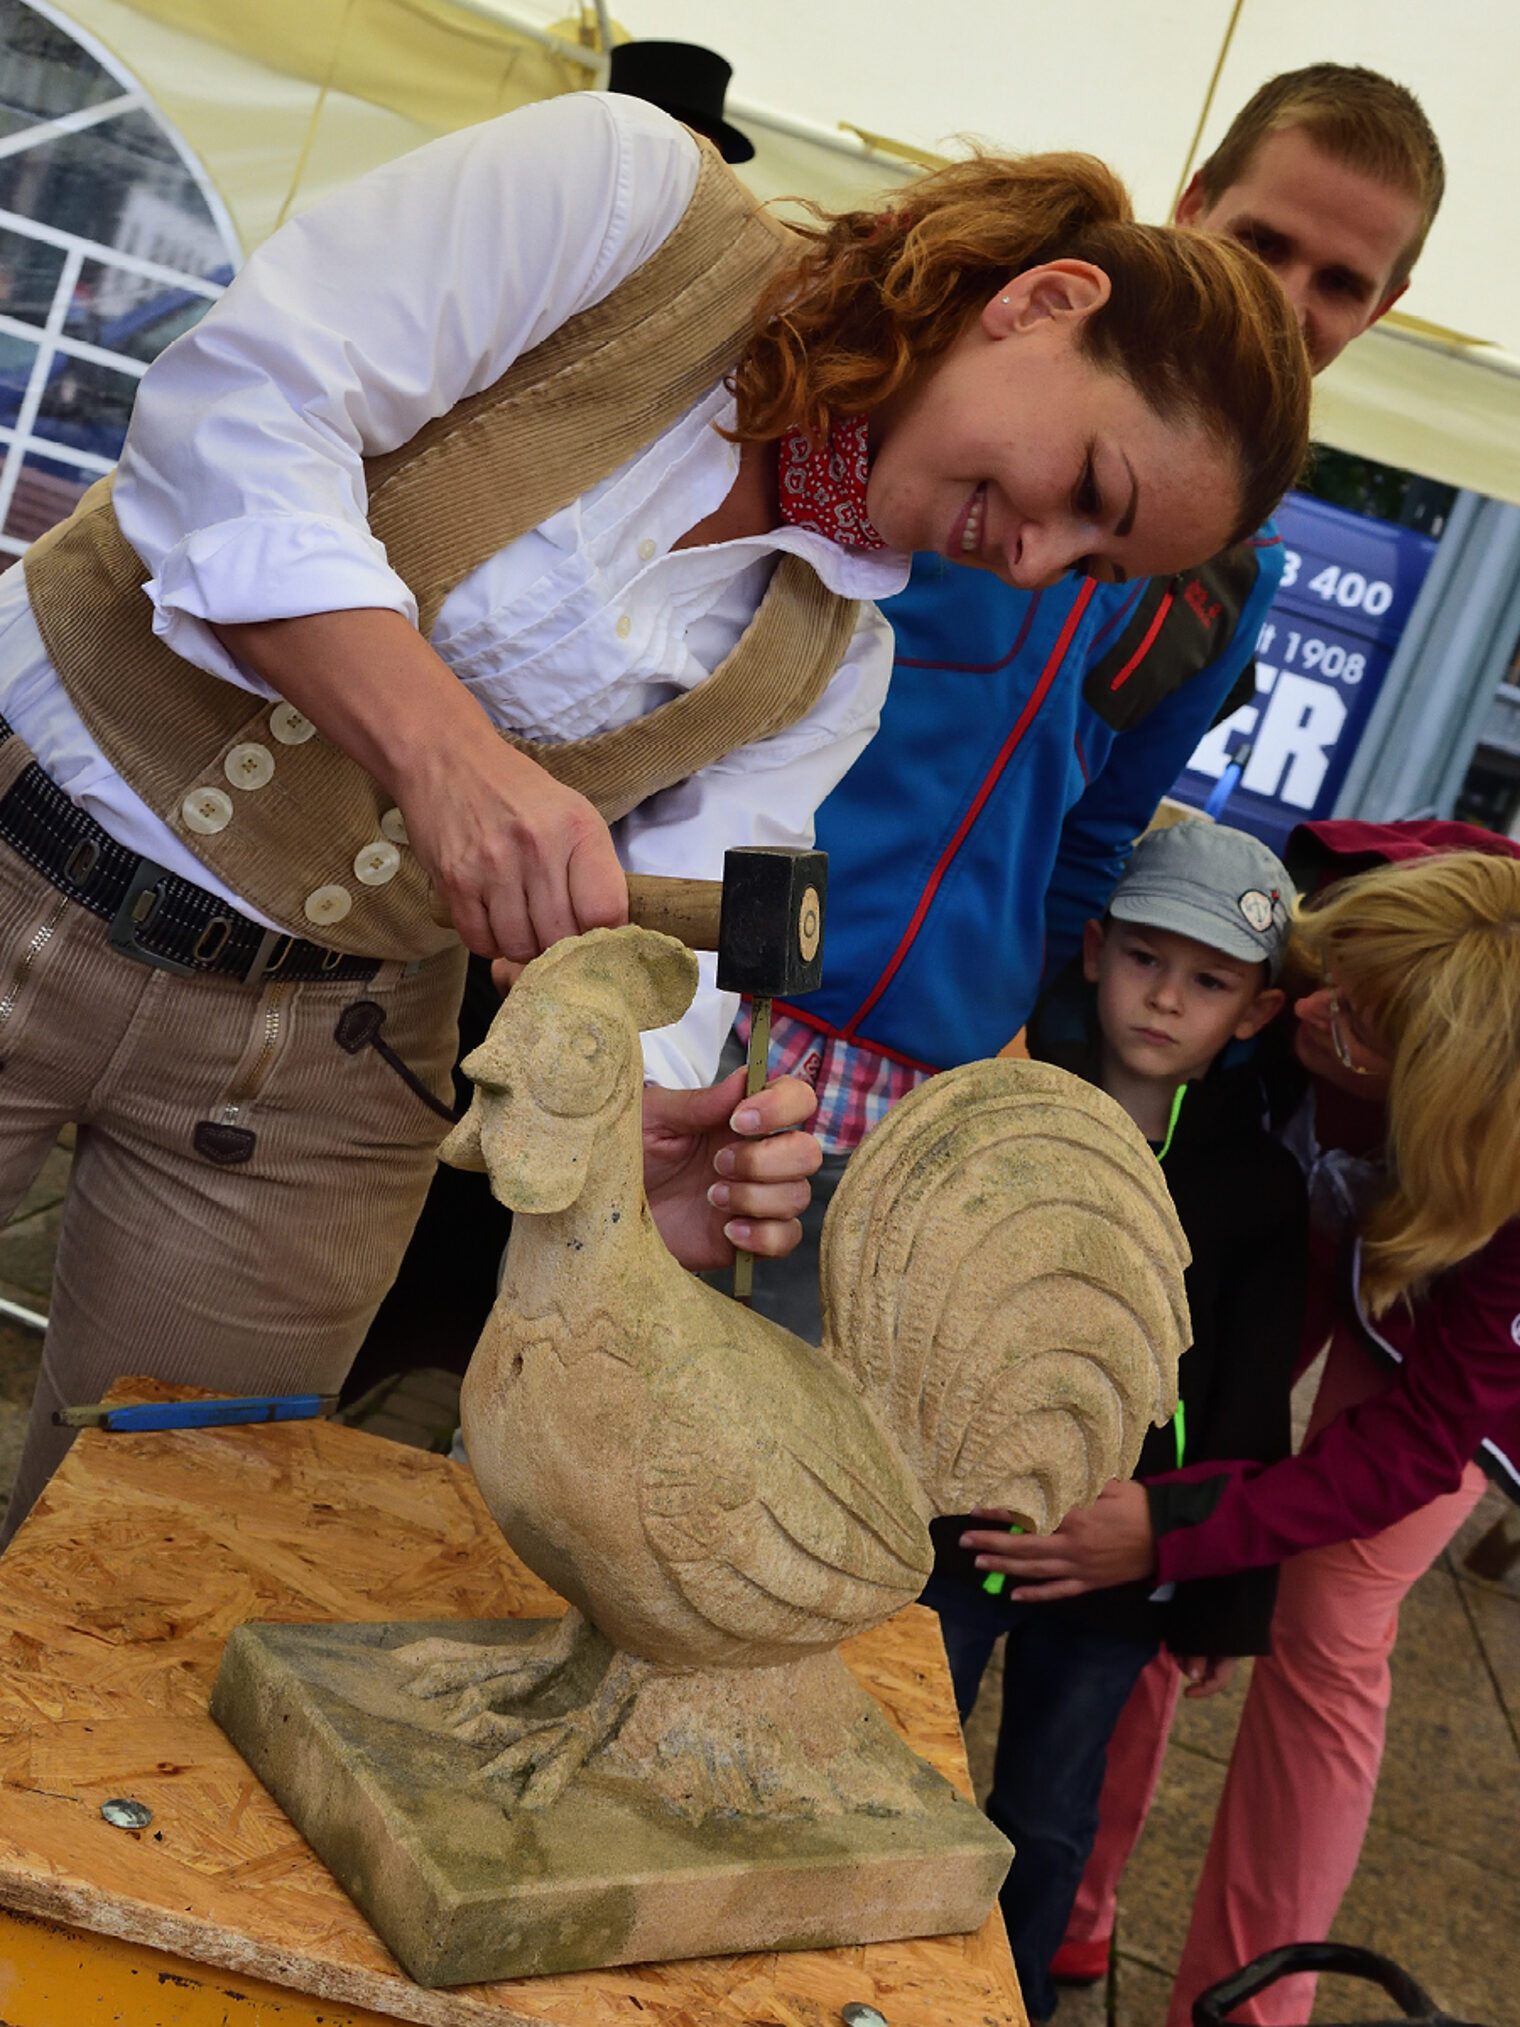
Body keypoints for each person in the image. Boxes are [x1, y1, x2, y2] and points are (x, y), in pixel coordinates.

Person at [0, 89, 1309, 1535]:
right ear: (1045, 302)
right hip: (25, 838)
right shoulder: (630, 204)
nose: (1034, 556)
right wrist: (443, 752)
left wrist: (643, 1143)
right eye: (1086, 486)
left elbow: (676, 952)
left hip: (317, 1068)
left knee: (150, 1560)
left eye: (1088, 562)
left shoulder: (833, 659)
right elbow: (236, 409)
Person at [741, 63, 1442, 1347]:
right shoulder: (976, 399)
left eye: (1339, 279)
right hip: (733, 986)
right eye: (1262, 240)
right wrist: (723, 969)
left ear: (1384, 308)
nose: (1287, 298)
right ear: (1191, 202)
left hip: (925, 1078)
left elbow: (1092, 833)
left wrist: (1007, 1044)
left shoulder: (1239, 574)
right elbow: (746, 687)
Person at [979, 821, 1520, 2025]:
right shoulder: (1360, 934)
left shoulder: (1492, 1167)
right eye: (1325, 987)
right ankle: (1070, 1915)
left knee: (1326, 1614)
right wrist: (1185, 1535)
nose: (1321, 1016)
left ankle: (1242, 2007)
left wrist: (1185, 1537)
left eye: (1364, 1030)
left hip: (1450, 1241)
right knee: (1168, 1463)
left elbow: (1421, 1438)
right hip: (1279, 1185)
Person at [921, 819, 1307, 2021]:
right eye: (1146, 958)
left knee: (1043, 1815)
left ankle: (1009, 2003)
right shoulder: (1006, 1109)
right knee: (892, 1757)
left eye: (1206, 981)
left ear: (1250, 1012)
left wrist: (1210, 1590)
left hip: (1108, 1571)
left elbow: (1247, 1399)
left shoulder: (1256, 1186)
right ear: (1093, 950)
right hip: (953, 1524)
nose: (1165, 998)